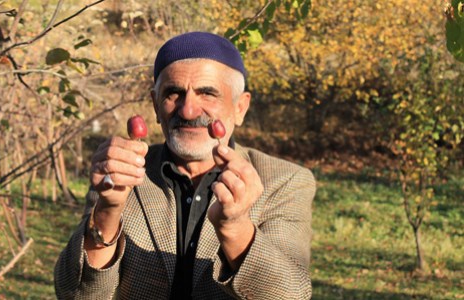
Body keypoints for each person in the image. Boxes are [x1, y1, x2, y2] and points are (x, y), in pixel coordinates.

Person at [54, 31, 316, 299]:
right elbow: (74, 294)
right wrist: (108, 211)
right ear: (156, 106)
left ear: (240, 107)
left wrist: (235, 227)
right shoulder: (124, 171)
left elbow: (290, 294)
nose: (188, 110)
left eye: (207, 93)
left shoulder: (284, 180)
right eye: (174, 93)